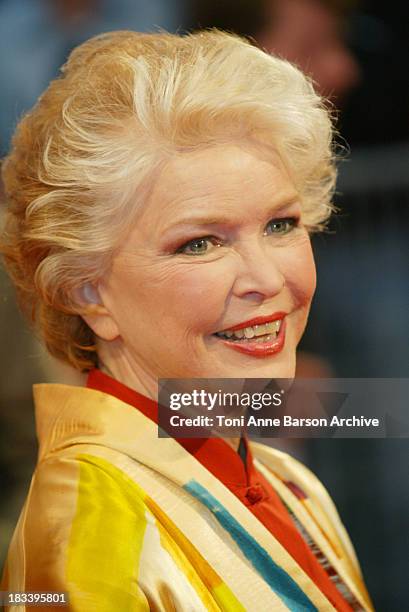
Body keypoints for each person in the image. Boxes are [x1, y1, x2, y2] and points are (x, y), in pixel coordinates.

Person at [0, 30, 373, 610]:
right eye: (199, 244)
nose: (268, 280)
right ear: (86, 290)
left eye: (281, 225)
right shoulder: (88, 516)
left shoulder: (287, 482)